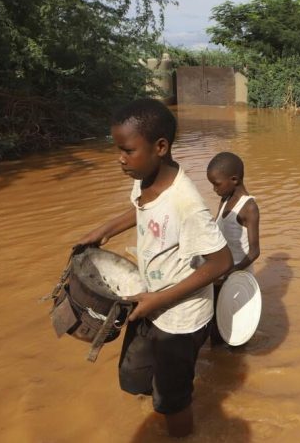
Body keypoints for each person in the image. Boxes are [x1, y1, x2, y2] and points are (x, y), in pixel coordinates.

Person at [76, 98, 233, 438]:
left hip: (181, 317)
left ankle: (180, 429)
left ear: (160, 147)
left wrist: (157, 301)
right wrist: (104, 230)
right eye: (118, 149)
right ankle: (163, 398)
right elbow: (140, 208)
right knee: (133, 377)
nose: (120, 158)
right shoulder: (144, 177)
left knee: (172, 400)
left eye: (127, 150)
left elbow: (222, 262)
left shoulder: (186, 203)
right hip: (150, 300)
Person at [206, 152, 261, 344]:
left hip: (237, 275)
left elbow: (255, 251)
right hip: (220, 273)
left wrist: (233, 271)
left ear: (234, 179)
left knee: (236, 329)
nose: (214, 189)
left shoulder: (249, 208)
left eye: (217, 184)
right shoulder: (225, 198)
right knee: (216, 324)